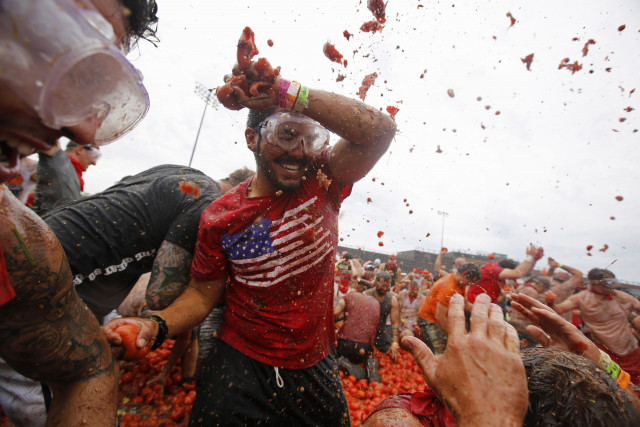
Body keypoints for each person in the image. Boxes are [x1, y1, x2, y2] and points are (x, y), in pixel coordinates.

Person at [104, 52, 397, 425]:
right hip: (239, 368)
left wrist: (284, 91)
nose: (297, 151)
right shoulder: (220, 218)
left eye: (308, 139)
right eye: (284, 135)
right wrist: (153, 325)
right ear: (252, 138)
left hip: (315, 364)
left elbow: (379, 131)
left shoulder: (323, 181)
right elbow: (200, 295)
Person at [0, 0, 158, 425]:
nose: (83, 130)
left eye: (91, 87)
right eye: (63, 41)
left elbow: (87, 369)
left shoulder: (13, 242)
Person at [548, 268, 640, 385]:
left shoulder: (621, 296)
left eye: (614, 282)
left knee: (636, 383)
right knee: (612, 385)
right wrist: (550, 302)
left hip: (630, 349)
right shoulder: (581, 298)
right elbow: (558, 309)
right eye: (608, 283)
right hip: (604, 351)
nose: (612, 287)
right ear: (595, 283)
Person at [416, 263, 481, 354]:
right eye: (471, 282)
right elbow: (440, 317)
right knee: (441, 350)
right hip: (428, 320)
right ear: (465, 274)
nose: (470, 285)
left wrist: (481, 310)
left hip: (441, 318)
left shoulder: (460, 284)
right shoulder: (448, 287)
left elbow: (465, 305)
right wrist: (451, 336)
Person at [466, 243, 544, 305]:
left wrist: (534, 260)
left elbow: (523, 272)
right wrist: (530, 257)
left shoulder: (498, 274)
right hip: (475, 305)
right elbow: (518, 273)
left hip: (485, 305)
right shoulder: (492, 269)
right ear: (506, 269)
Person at [333, 292, 381, 381]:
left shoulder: (348, 296)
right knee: (362, 355)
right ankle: (369, 365)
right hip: (365, 349)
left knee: (332, 353)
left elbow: (335, 313)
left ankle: (343, 361)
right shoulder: (375, 302)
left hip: (345, 345)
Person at [364, 271, 401, 361]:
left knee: (391, 356)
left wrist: (395, 343)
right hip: (365, 333)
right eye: (382, 285)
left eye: (388, 286)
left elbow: (395, 323)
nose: (385, 288)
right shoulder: (366, 296)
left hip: (381, 333)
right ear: (376, 282)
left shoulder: (392, 300)